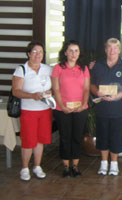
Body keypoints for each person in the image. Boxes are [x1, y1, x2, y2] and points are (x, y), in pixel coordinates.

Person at [90, 38, 122, 176]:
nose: (112, 51)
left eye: (115, 48)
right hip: (102, 108)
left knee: (116, 137)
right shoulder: (97, 65)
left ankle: (114, 164)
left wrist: (119, 95)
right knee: (103, 136)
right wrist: (96, 92)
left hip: (119, 109)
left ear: (119, 50)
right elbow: (91, 84)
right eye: (109, 48)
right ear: (105, 50)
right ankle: (104, 163)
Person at [12, 41, 53, 181]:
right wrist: (32, 96)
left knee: (40, 140)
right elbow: (16, 91)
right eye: (34, 51)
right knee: (28, 140)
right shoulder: (21, 69)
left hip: (45, 109)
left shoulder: (48, 69)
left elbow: (56, 87)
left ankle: (37, 166)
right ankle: (24, 168)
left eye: (40, 52)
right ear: (29, 53)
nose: (37, 55)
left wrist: (50, 91)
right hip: (28, 110)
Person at [52, 40, 90, 178]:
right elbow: (55, 89)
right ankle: (66, 167)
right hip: (63, 109)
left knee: (77, 137)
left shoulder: (84, 68)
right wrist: (62, 106)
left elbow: (86, 89)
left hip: (81, 109)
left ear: (79, 53)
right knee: (65, 137)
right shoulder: (58, 68)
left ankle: (75, 166)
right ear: (65, 52)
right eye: (71, 51)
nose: (74, 54)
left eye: (76, 51)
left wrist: (83, 104)